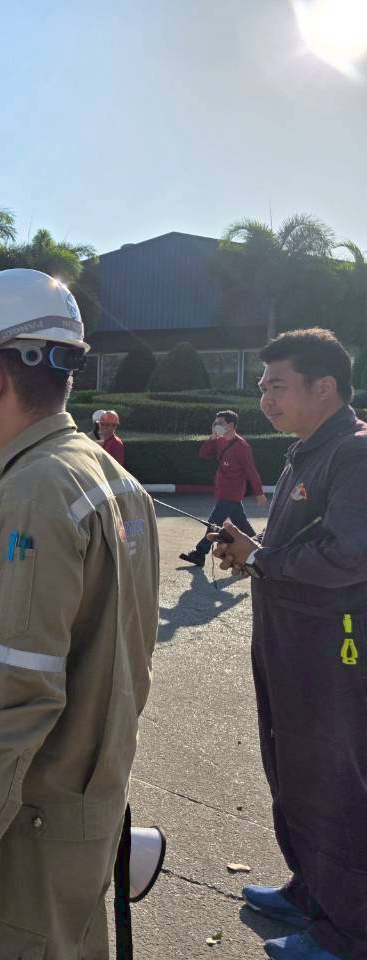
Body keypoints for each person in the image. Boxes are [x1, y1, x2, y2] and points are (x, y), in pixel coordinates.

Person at [0, 268, 159, 958]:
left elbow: (15, 693)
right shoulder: (112, 480)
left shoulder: (32, 494)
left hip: (21, 828)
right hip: (75, 810)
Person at [210, 329, 367, 960]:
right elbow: (294, 550)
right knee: (293, 768)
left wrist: (263, 559)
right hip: (289, 641)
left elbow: (348, 555)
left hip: (333, 648)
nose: (265, 398)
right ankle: (313, 891)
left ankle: (350, 931)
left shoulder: (354, 454)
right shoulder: (306, 452)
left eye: (277, 385)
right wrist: (253, 555)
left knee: (336, 782)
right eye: (261, 386)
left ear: (323, 387)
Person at [177, 410, 267, 567]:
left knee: (213, 522)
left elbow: (251, 471)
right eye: (215, 423)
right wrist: (212, 438)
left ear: (231, 425)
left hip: (232, 493)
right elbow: (203, 454)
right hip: (222, 490)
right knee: (241, 522)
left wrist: (259, 493)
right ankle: (259, 548)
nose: (216, 426)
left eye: (220, 423)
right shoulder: (219, 441)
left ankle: (200, 553)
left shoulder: (242, 446)